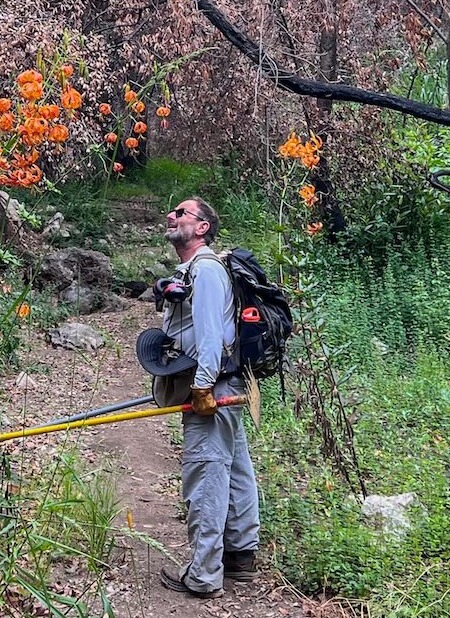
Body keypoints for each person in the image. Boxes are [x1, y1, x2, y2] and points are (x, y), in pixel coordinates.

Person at [157, 197, 260, 599]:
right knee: (234, 469)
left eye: (181, 213)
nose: (172, 216)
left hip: (214, 387)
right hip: (226, 384)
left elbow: (211, 338)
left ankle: (202, 574)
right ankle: (240, 557)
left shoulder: (207, 270)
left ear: (202, 227)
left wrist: (201, 387)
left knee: (206, 476)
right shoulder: (196, 272)